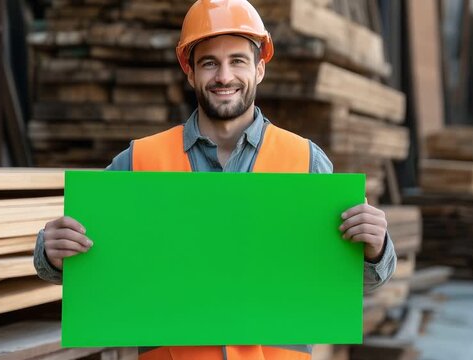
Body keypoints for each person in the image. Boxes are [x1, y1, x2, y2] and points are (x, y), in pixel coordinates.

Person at [34, 0, 397, 359]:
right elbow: (86, 269)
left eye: (237, 61)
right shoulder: (138, 162)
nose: (224, 77)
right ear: (190, 72)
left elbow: (359, 280)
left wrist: (376, 247)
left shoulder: (306, 163)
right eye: (210, 63)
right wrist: (51, 252)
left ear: (259, 69)